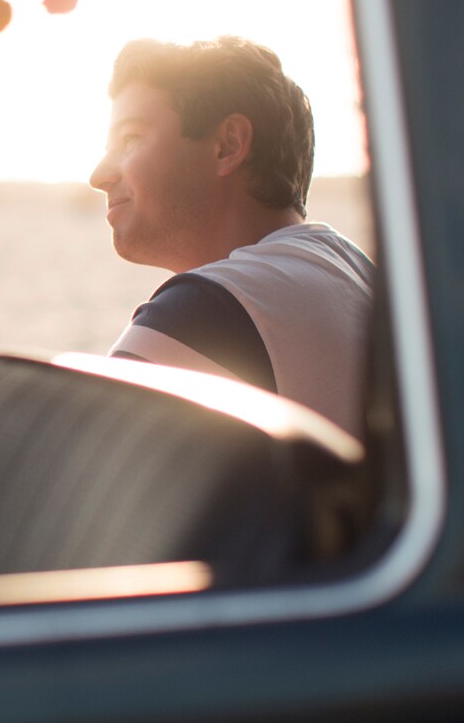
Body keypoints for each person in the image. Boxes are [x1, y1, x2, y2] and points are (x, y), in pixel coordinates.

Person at [87, 36, 374, 438]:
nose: (99, 175)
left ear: (228, 145)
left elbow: (87, 483)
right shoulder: (356, 271)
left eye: (131, 139)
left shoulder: (205, 311)